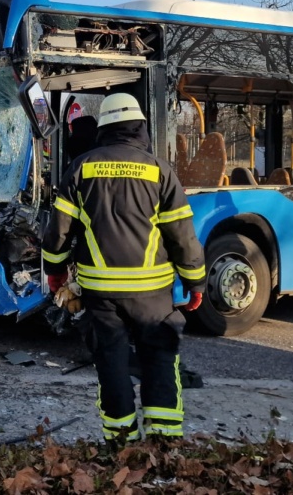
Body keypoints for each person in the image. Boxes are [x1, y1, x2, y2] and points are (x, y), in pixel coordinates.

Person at [41, 92, 206, 443]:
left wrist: (55, 274)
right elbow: (182, 236)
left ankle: (120, 440)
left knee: (111, 363)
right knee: (160, 358)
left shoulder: (81, 168)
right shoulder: (160, 171)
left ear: (103, 129)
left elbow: (57, 234)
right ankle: (164, 440)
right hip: (153, 295)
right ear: (140, 128)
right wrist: (196, 282)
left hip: (101, 294)